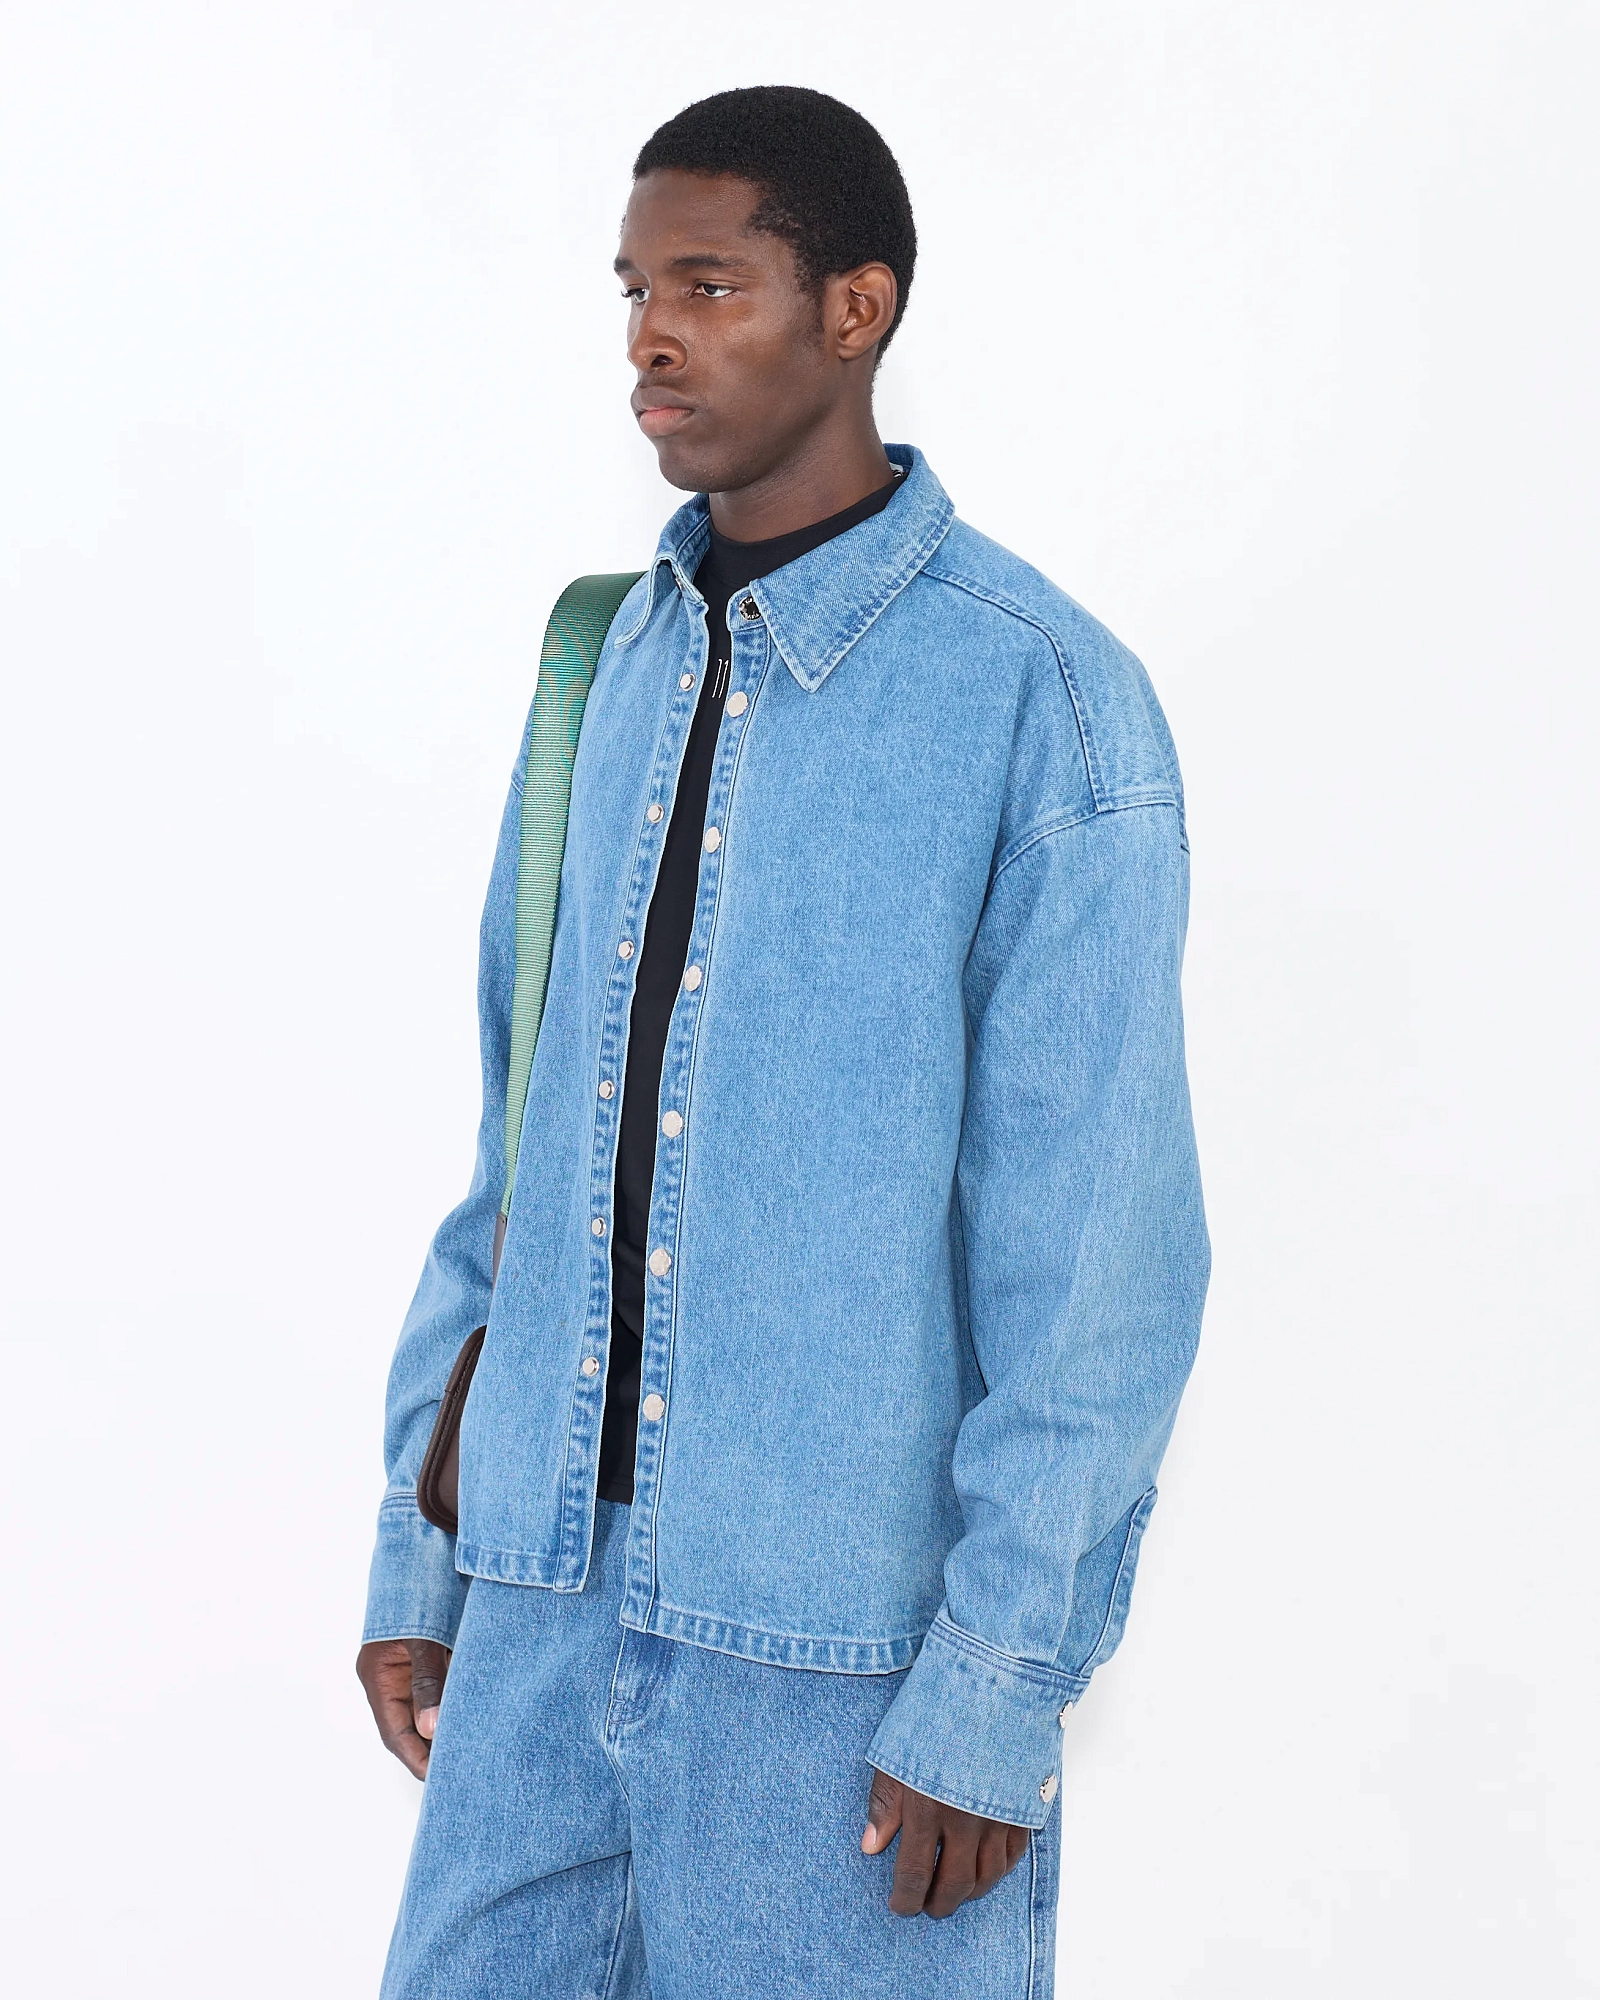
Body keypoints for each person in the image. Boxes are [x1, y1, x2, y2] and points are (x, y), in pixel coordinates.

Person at [357, 84, 1209, 1999]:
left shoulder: (1044, 703)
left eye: (711, 286)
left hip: (834, 1672)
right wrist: (430, 1543)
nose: (652, 339)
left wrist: (996, 1680)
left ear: (856, 309)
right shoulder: (602, 660)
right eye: (635, 291)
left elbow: (1098, 1263)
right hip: (534, 1619)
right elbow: (515, 1157)